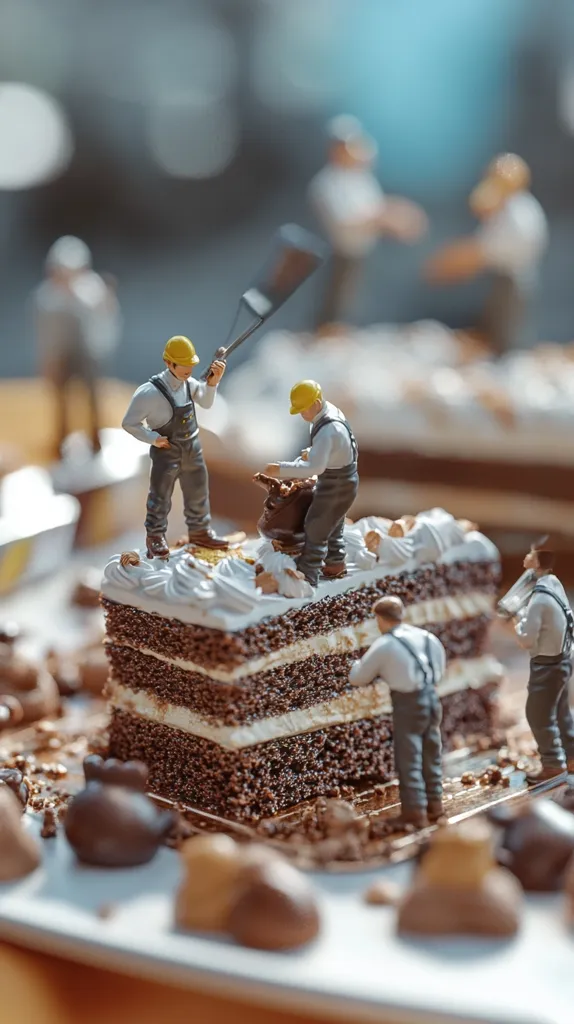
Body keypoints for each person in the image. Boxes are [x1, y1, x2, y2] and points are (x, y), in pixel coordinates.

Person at [122, 336, 242, 559]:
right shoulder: (149, 393)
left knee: (198, 491)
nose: (189, 370)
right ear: (169, 363)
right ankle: (156, 536)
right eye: (184, 365)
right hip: (167, 453)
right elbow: (129, 423)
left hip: (192, 448)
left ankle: (200, 531)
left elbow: (206, 402)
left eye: (191, 365)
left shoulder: (190, 385)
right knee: (161, 496)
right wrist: (152, 438)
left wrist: (213, 383)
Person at [308, 115, 428, 331]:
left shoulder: (360, 178)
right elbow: (345, 220)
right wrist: (384, 218)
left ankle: (341, 328)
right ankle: (327, 329)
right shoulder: (329, 182)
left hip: (364, 248)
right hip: (342, 250)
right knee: (337, 292)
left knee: (355, 294)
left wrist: (395, 214)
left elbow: (375, 206)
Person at [425, 153, 548, 355]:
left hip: (513, 276)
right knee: (493, 318)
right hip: (499, 273)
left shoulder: (520, 212)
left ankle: (509, 356)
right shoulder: (505, 208)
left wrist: (462, 261)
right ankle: (497, 353)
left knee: (508, 321)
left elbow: (495, 247)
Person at [349, 595, 446, 828]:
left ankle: (414, 813)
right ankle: (435, 806)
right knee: (431, 753)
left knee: (409, 758)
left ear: (380, 619)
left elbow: (358, 677)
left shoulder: (385, 645)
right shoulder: (425, 637)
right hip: (432, 698)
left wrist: (353, 665)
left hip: (408, 703)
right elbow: (440, 667)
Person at [263, 380, 358, 586]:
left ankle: (308, 574)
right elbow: (341, 447)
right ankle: (335, 563)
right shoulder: (331, 413)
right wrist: (314, 454)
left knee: (315, 525)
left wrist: (281, 469)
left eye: (302, 409)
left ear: (316, 402)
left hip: (337, 483)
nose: (301, 414)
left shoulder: (328, 429)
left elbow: (315, 468)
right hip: (344, 479)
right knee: (332, 523)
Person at [34, 235, 121, 458]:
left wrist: (102, 347)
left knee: (92, 399)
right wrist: (48, 361)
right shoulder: (46, 299)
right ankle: (62, 440)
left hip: (87, 355)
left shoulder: (92, 291)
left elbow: (106, 320)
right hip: (61, 356)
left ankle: (95, 439)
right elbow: (45, 336)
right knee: (61, 402)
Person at [514, 540, 574, 784]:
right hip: (564, 660)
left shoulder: (539, 599)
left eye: (530, 554)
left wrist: (518, 621)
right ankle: (571, 755)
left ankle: (552, 764)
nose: (525, 557)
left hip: (546, 664)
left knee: (538, 714)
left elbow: (527, 640)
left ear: (537, 561)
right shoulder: (555, 585)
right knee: (560, 710)